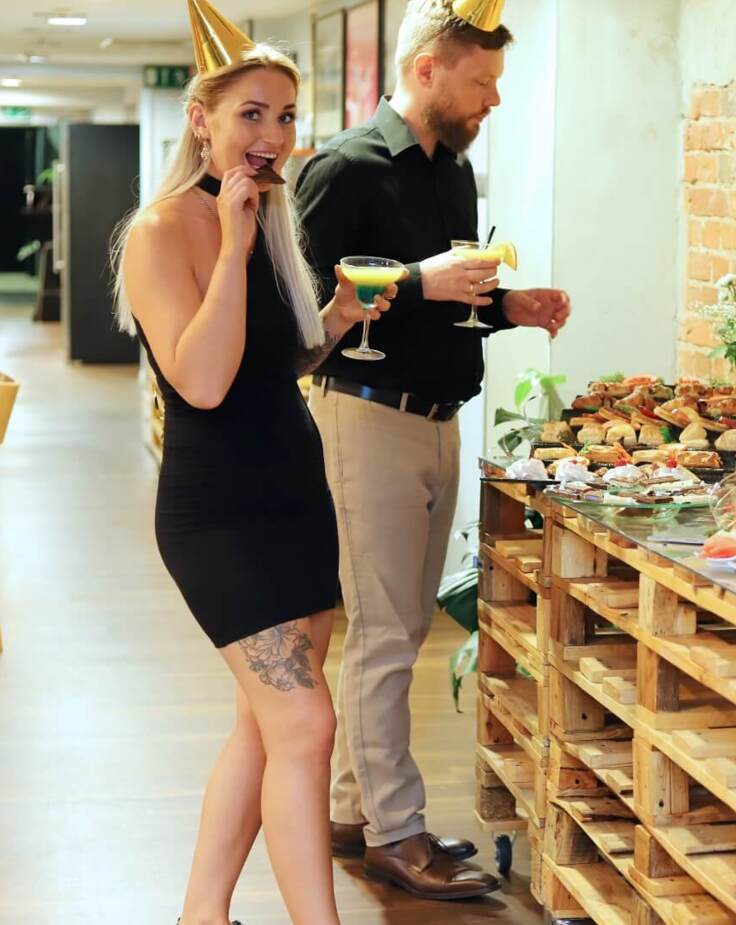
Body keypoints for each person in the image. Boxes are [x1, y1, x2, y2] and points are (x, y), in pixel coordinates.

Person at [112, 2, 399, 922]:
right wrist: (233, 248)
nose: (271, 134)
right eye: (250, 114)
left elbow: (273, 364)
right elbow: (202, 382)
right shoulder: (162, 232)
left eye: (284, 115)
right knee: (307, 723)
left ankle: (202, 913)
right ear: (202, 120)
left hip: (294, 498)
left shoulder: (273, 222)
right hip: (218, 514)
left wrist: (338, 318)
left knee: (266, 723)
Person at [295, 0, 571, 901]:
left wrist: (508, 307)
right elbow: (305, 310)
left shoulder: (454, 171)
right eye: (481, 81)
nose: (494, 99)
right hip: (365, 415)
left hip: (441, 417)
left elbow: (447, 303)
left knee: (403, 625)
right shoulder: (342, 168)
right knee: (384, 631)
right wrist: (420, 280)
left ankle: (352, 811)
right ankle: (397, 834)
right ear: (426, 71)